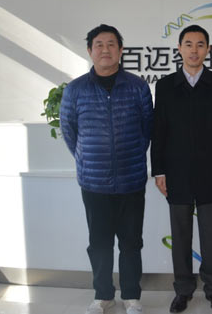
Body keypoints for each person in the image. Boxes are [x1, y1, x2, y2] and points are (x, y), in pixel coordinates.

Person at [60, 24, 153, 314]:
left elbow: (147, 128)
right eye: (99, 44)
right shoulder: (76, 89)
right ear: (90, 51)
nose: (105, 49)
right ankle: (103, 295)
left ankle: (131, 296)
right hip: (94, 182)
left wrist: (132, 155)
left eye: (111, 44)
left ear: (121, 50)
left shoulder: (137, 86)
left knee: (131, 242)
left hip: (131, 180)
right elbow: (69, 131)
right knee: (99, 243)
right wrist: (87, 158)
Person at [151, 24, 212, 313]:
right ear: (179, 49)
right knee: (180, 236)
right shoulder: (165, 86)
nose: (194, 50)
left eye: (200, 44)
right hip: (176, 172)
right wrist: (159, 170)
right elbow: (159, 131)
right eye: (188, 44)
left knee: (211, 236)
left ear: (208, 50)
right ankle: (183, 290)